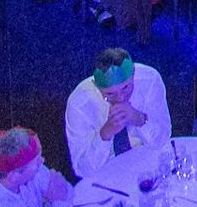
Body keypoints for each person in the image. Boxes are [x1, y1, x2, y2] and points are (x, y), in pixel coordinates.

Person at [64, 49, 172, 177]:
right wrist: (105, 134)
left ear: (133, 75)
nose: (120, 98)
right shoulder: (80, 104)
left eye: (126, 87)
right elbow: (82, 169)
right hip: (106, 173)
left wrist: (140, 119)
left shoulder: (149, 80)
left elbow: (162, 139)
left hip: (148, 158)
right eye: (110, 93)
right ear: (96, 86)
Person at [0, 126, 71, 207]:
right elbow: (60, 195)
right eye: (36, 163)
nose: (42, 161)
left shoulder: (34, 171)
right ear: (13, 176)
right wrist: (58, 204)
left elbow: (65, 189)